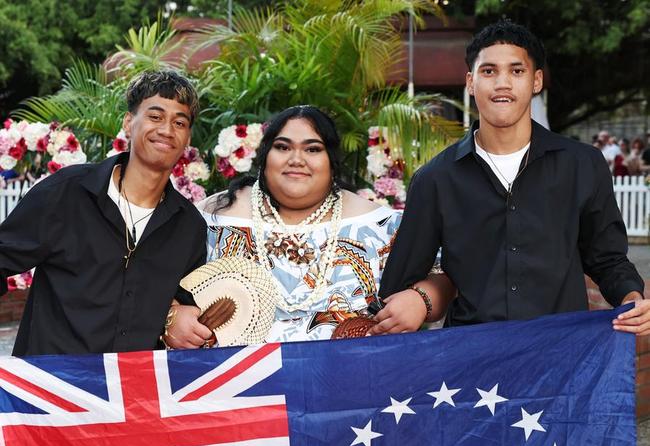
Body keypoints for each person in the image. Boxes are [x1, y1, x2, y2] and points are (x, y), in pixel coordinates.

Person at [378, 21, 650, 336]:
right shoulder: (435, 179)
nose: (503, 83)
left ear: (536, 81)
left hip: (561, 352)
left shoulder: (582, 165)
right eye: (489, 71)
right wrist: (422, 298)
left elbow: (607, 259)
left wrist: (632, 298)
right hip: (471, 359)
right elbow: (401, 283)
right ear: (470, 82)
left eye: (517, 71)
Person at [167, 105, 454, 346]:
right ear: (265, 156)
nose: (296, 159)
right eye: (282, 147)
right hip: (235, 397)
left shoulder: (380, 224)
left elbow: (445, 276)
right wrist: (171, 318)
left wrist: (421, 301)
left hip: (351, 395)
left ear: (332, 162)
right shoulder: (208, 218)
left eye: (312, 149)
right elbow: (146, 280)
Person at [0, 70, 208, 355]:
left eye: (179, 122)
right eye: (155, 116)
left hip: (133, 393)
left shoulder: (189, 227)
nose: (166, 130)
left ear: (187, 138)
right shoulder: (66, 193)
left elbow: (184, 310)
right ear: (128, 122)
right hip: (50, 389)